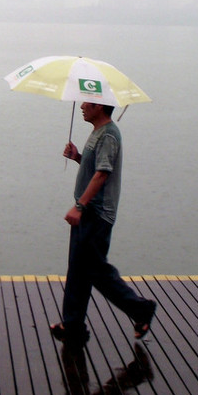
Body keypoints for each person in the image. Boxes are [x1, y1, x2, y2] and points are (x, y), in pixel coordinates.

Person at [50, 101, 156, 345]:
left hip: (96, 214)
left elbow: (103, 173)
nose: (82, 107)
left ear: (99, 106)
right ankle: (73, 326)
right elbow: (94, 169)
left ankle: (140, 309)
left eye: (86, 103)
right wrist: (77, 157)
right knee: (78, 269)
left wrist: (79, 206)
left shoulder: (108, 134)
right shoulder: (98, 132)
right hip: (88, 212)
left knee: (96, 270)